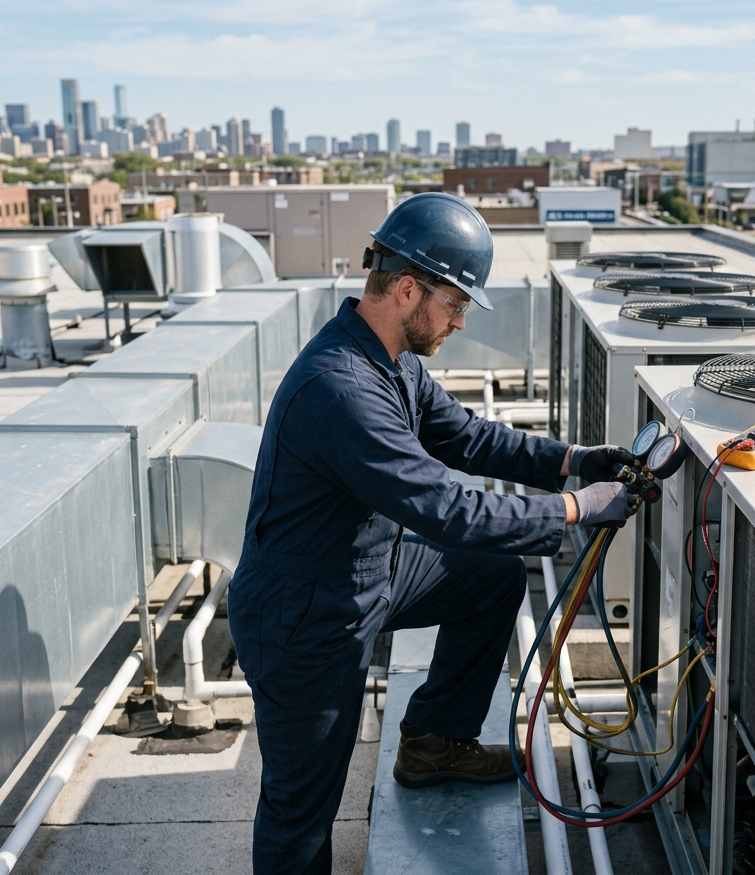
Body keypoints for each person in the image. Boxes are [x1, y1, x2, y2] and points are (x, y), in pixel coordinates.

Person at [228, 193, 637, 874]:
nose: (460, 322)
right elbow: (446, 508)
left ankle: (431, 744)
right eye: (454, 304)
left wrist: (573, 461)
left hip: (368, 577)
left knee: (488, 579)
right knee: (302, 810)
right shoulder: (341, 388)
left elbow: (469, 439)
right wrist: (574, 509)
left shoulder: (394, 363)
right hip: (305, 619)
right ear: (408, 288)